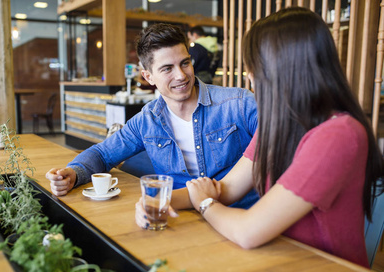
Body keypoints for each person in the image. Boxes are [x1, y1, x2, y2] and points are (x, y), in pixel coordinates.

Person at [135, 8, 384, 268]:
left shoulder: (338, 135)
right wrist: (157, 201)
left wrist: (206, 203)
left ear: (284, 68)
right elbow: (227, 190)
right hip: (278, 261)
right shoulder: (282, 124)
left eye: (254, 67)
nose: (250, 77)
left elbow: (248, 231)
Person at [46, 23, 259, 209]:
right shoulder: (147, 120)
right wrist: (73, 173)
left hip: (240, 214)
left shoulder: (239, 103)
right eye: (167, 68)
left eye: (185, 63)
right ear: (148, 77)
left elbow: (283, 144)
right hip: (177, 216)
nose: (181, 75)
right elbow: (103, 154)